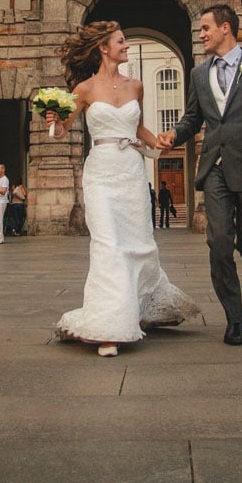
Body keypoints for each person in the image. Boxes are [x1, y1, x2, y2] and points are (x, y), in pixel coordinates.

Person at [48, 21, 201, 357]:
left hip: (131, 170)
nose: (126, 45)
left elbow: (139, 127)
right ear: (104, 47)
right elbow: (62, 131)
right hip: (101, 171)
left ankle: (140, 308)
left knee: (138, 242)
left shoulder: (137, 86)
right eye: (121, 41)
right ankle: (108, 325)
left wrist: (160, 141)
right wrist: (53, 121)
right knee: (108, 244)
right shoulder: (84, 89)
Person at [159, 4, 242, 346]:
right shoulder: (198, 75)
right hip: (216, 167)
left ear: (225, 29)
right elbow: (193, 118)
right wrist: (175, 134)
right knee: (218, 244)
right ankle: (234, 319)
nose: (201, 34)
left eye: (205, 28)